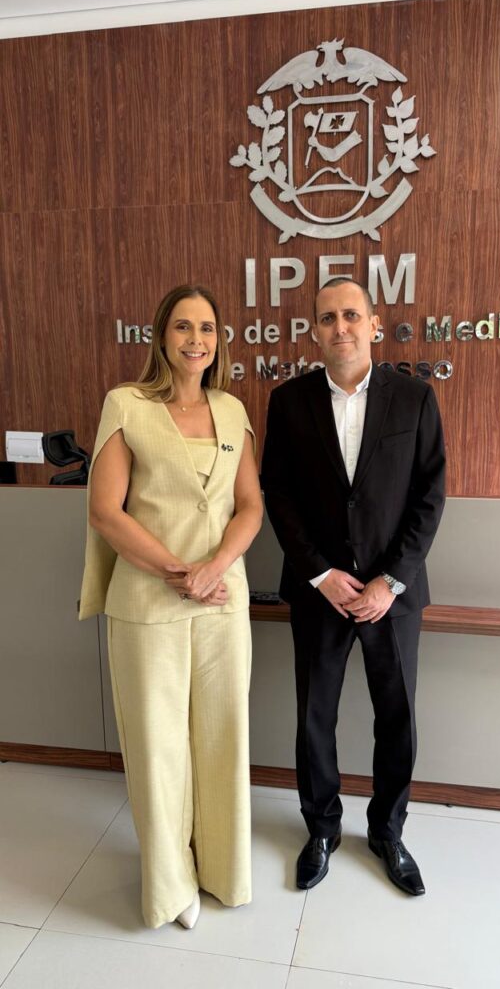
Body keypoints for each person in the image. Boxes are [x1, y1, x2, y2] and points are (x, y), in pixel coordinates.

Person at [79, 283, 262, 929]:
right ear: (161, 336)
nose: (196, 340)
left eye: (207, 328)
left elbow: (250, 507)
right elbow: (105, 511)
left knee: (222, 736)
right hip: (148, 603)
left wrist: (214, 568)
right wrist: (178, 572)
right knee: (158, 746)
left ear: (219, 340)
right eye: (183, 327)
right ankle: (170, 882)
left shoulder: (233, 411)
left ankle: (221, 868)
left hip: (222, 603)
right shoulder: (126, 404)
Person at [261, 277, 445, 896]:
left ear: (373, 323)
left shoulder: (415, 399)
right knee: (315, 715)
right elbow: (278, 495)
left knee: (397, 717)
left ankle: (388, 832)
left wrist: (390, 582)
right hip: (321, 592)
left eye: (350, 315)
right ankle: (321, 829)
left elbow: (429, 497)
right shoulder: (289, 402)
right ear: (314, 330)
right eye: (327, 318)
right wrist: (318, 572)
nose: (339, 327)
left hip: (391, 596)